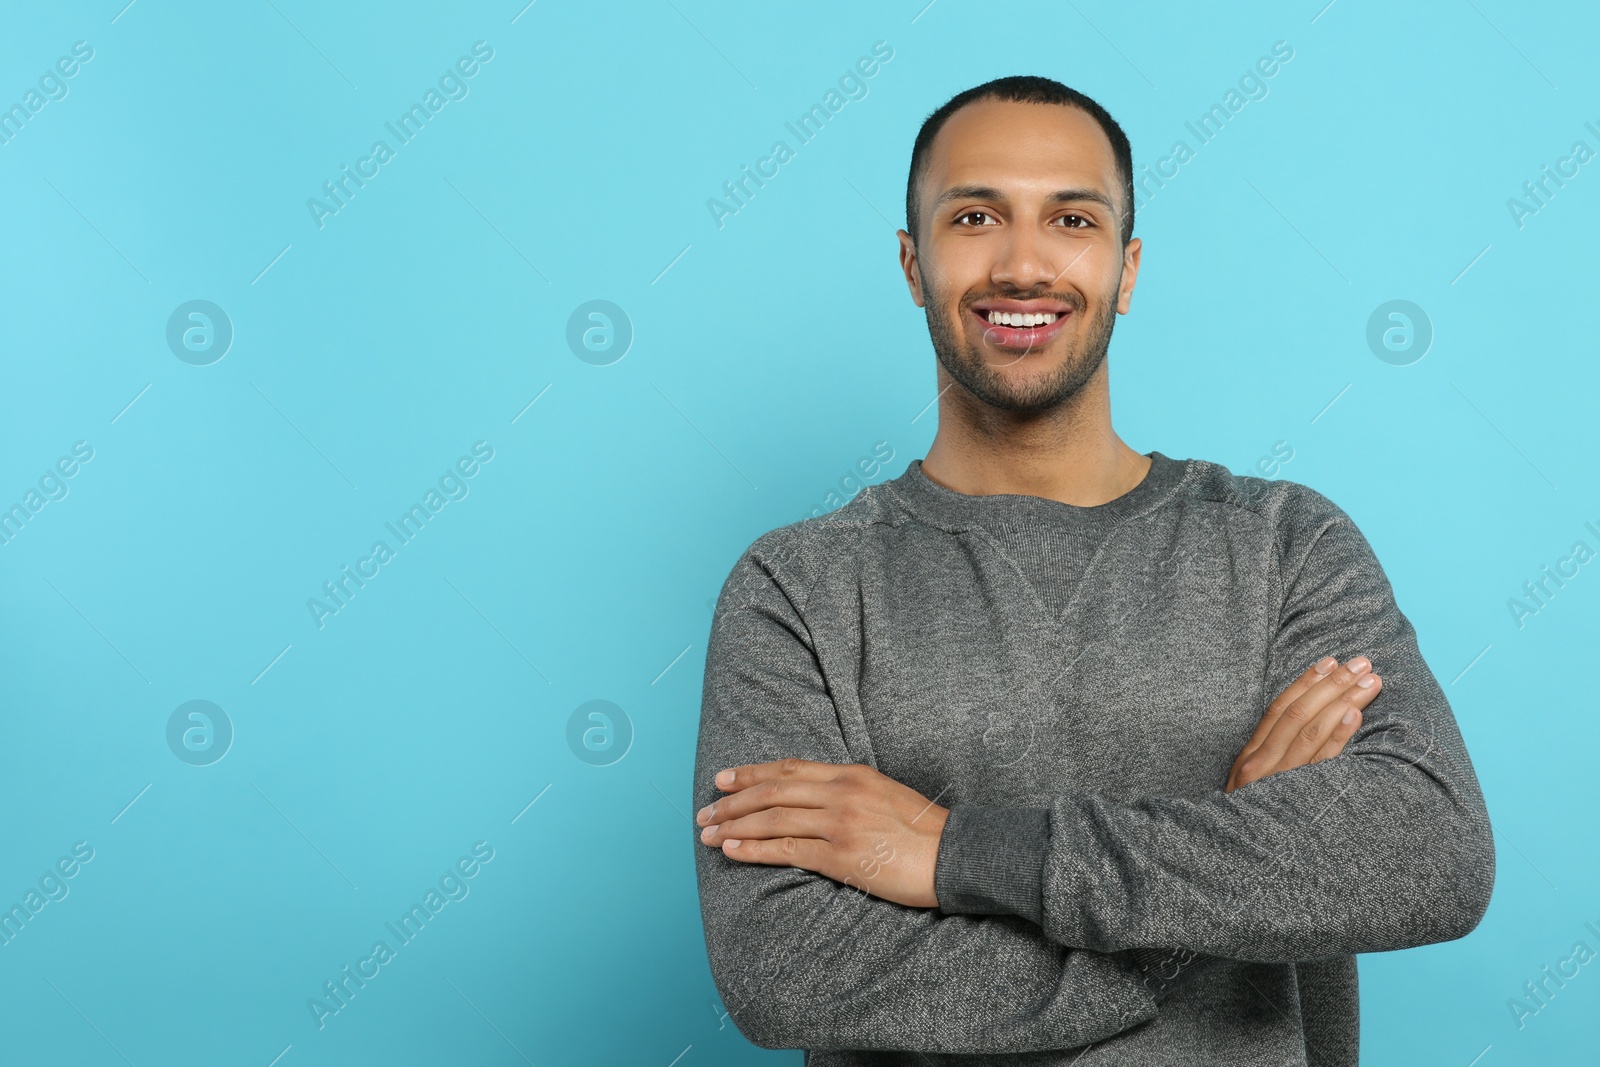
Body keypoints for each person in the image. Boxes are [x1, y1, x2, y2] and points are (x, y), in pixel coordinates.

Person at [690, 75, 1493, 1066]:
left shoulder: (1287, 546)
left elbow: (1430, 854)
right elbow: (791, 972)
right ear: (911, 262)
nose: (1022, 263)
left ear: (1126, 266)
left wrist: (951, 851)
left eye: (1071, 218)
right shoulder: (797, 589)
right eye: (975, 215)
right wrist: (1234, 852)